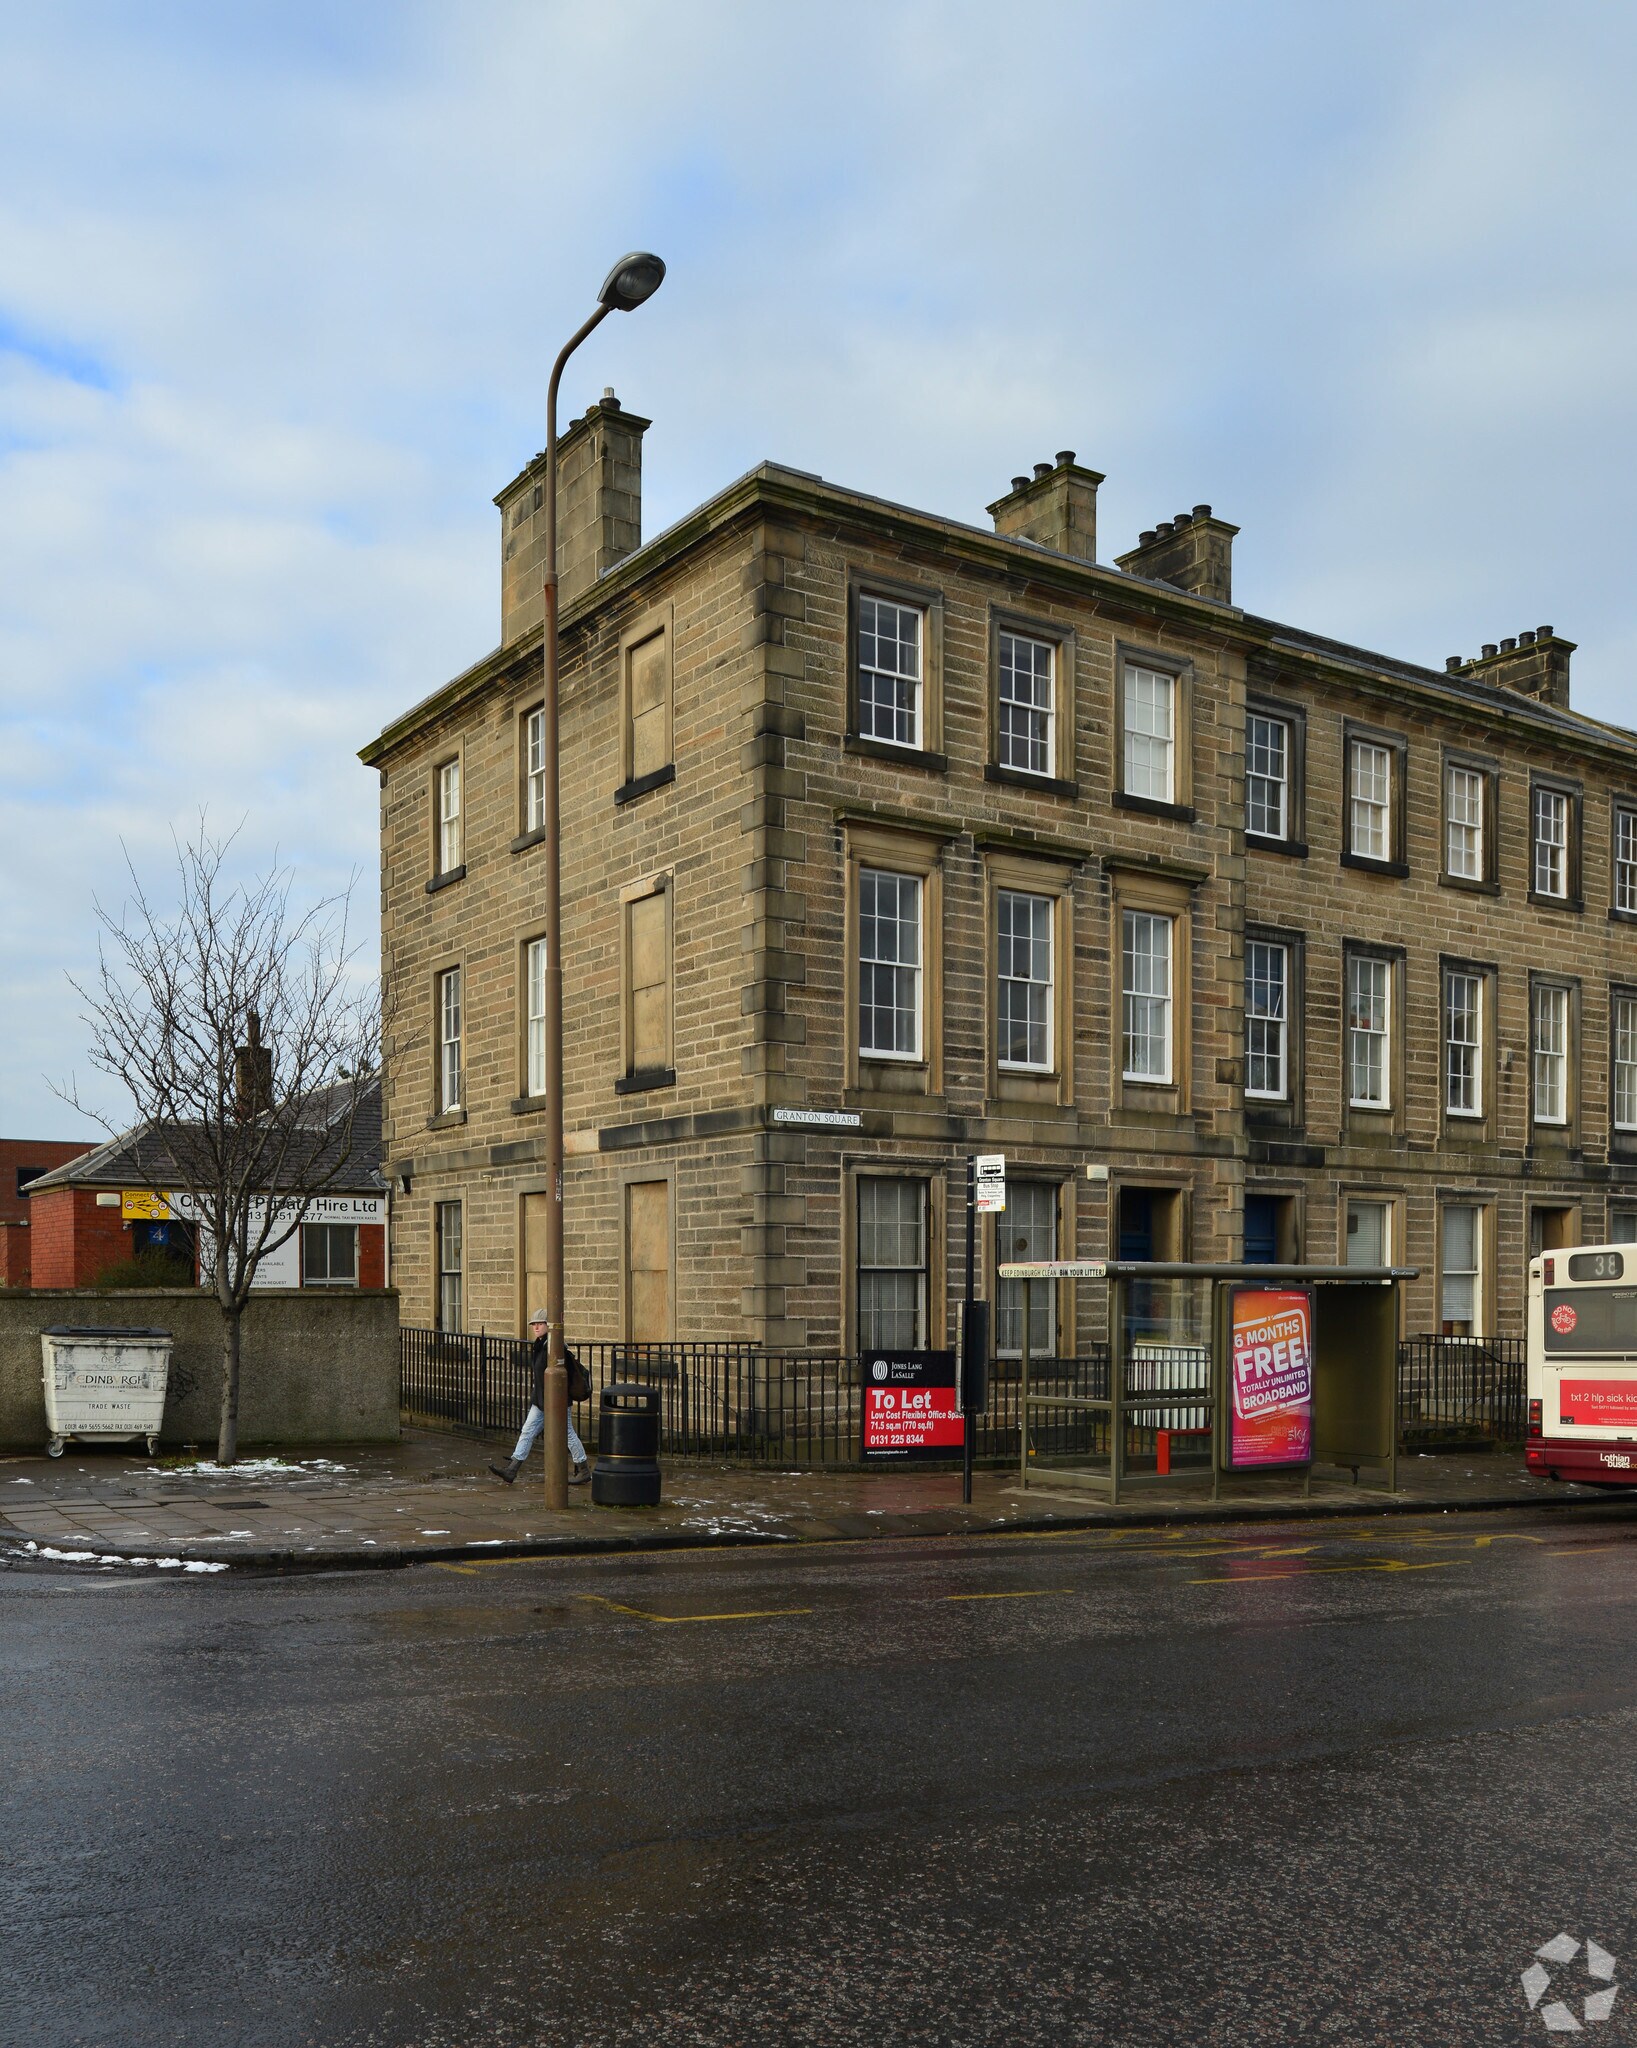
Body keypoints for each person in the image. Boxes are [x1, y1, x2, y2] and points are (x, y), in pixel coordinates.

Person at [490, 1310, 589, 1485]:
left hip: (557, 1399)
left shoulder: (554, 1346)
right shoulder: (539, 1345)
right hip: (542, 1400)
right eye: (534, 1324)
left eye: (540, 1323)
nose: (536, 1327)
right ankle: (512, 1469)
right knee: (527, 1431)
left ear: (548, 1326)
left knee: (567, 1434)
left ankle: (583, 1469)